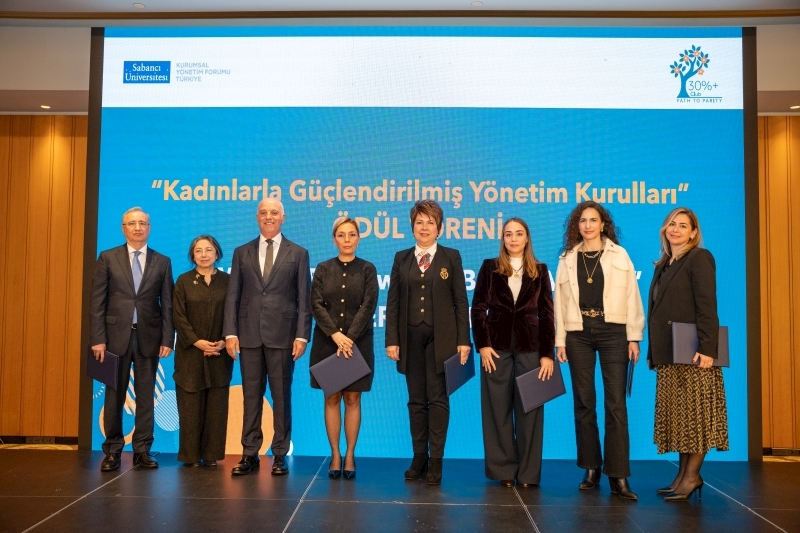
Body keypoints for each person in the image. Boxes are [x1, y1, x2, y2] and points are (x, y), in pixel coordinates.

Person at [554, 201, 644, 500]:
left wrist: (634, 337)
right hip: (578, 333)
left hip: (613, 332)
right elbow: (559, 303)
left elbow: (632, 295)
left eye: (593, 220)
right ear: (576, 226)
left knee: (615, 404)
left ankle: (618, 474)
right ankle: (591, 468)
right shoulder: (567, 258)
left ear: (603, 224)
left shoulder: (620, 255)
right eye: (583, 220)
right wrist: (560, 340)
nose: (588, 225)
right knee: (584, 402)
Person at [385, 199, 471, 486]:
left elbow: (460, 301)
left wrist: (464, 340)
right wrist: (392, 339)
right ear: (412, 227)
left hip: (442, 339)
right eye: (419, 222)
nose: (424, 227)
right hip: (410, 339)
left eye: (430, 222)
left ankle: (436, 460)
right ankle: (419, 457)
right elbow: (393, 302)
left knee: (438, 399)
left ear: (439, 228)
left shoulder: (451, 257)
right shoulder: (401, 258)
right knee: (415, 400)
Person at [224, 198, 311, 476]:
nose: (269, 217)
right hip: (248, 336)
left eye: (274, 213)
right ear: (257, 217)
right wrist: (230, 332)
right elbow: (233, 296)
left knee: (282, 397)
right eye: (264, 213)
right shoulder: (242, 252)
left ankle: (280, 454)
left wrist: (302, 336)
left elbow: (304, 298)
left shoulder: (298, 253)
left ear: (283, 217)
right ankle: (249, 453)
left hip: (283, 337)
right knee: (251, 397)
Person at [647, 207, 728, 502]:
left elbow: (707, 306)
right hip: (670, 353)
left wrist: (707, 349)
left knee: (696, 417)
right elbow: (657, 312)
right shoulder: (663, 264)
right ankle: (682, 476)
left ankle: (692, 477)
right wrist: (654, 352)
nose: (676, 229)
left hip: (694, 353)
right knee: (681, 418)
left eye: (683, 225)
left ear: (694, 232)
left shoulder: (700, 258)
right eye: (672, 224)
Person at [471, 217, 556, 488]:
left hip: (531, 349)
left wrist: (548, 354)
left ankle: (528, 474)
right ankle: (503, 470)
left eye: (519, 233)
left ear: (527, 238)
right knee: (497, 409)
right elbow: (477, 308)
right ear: (503, 239)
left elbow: (547, 314)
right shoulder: (490, 267)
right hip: (495, 349)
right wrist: (483, 345)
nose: (513, 239)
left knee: (530, 410)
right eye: (508, 234)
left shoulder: (540, 270)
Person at [90, 206, 174, 472]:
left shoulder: (162, 261)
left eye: (142, 223)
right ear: (123, 228)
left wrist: (167, 339)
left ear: (149, 228)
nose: (138, 228)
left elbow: (168, 304)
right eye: (132, 223)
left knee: (146, 396)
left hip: (149, 337)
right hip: (113, 339)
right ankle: (113, 450)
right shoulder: (107, 257)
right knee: (114, 396)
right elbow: (97, 302)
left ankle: (142, 450)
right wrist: (98, 338)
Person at [309, 217, 379, 480]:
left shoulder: (368, 269)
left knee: (352, 398)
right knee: (331, 398)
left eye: (351, 235)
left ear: (358, 238)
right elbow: (316, 304)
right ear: (334, 239)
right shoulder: (323, 269)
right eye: (341, 235)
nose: (347, 240)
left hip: (357, 344)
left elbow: (368, 305)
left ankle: (350, 454)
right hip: (328, 343)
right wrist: (336, 335)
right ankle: (335, 454)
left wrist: (348, 338)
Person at [172, 235, 232, 467]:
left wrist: (224, 341)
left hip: (220, 353)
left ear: (217, 253)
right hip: (190, 354)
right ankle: (190, 456)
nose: (204, 254)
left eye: (209, 250)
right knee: (190, 408)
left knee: (216, 408)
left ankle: (211, 455)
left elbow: (235, 314)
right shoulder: (183, 281)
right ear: (192, 255)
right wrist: (197, 342)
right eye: (199, 250)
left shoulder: (228, 281)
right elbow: (178, 316)